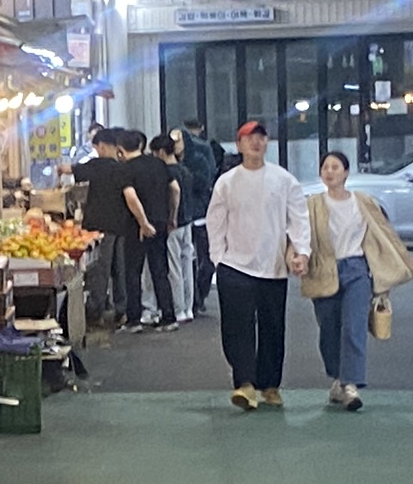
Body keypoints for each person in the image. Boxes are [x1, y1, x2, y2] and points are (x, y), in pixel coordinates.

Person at [201, 115, 309, 409]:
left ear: (267, 143)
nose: (256, 142)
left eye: (261, 137)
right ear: (239, 145)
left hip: (273, 267)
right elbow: (215, 221)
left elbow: (298, 219)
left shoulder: (283, 180)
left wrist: (301, 252)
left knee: (273, 327)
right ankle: (245, 384)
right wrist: (218, 258)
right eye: (249, 138)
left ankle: (270, 385)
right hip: (234, 266)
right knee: (237, 327)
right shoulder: (227, 182)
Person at [296, 144, 413, 410]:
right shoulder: (312, 205)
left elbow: (382, 234)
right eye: (325, 168)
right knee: (329, 329)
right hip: (324, 269)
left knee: (354, 326)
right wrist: (297, 257)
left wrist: (385, 271)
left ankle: (351, 385)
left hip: (357, 269)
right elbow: (300, 235)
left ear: (346, 172)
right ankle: (337, 378)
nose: (329, 172)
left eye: (335, 167)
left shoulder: (363, 202)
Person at [73, 124, 150, 335]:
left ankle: (95, 312)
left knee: (100, 271)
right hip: (122, 225)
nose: (96, 151)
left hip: (98, 226)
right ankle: (121, 310)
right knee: (120, 270)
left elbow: (70, 171)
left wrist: (59, 171)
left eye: (96, 146)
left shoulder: (94, 165)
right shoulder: (122, 168)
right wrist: (142, 222)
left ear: (103, 146)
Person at [132, 131, 187, 323]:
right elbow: (178, 191)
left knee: (167, 268)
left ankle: (170, 309)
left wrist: (172, 217)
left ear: (161, 152)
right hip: (182, 222)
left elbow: (175, 191)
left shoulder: (162, 169)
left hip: (165, 223)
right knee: (180, 266)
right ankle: (184, 308)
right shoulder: (182, 169)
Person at [175, 119, 227, 308]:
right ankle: (193, 298)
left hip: (200, 214)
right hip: (184, 215)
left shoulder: (199, 156)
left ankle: (199, 294)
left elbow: (205, 182)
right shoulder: (172, 160)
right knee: (188, 258)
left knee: (205, 258)